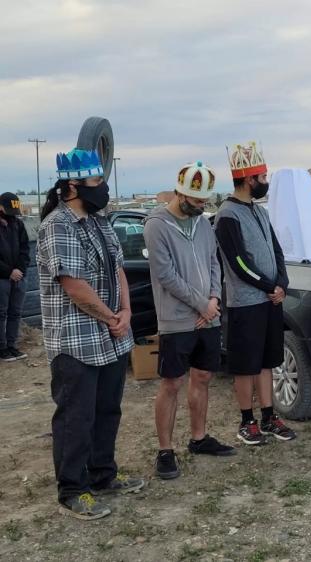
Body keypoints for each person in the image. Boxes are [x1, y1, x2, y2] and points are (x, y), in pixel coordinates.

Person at [36, 148, 144, 520]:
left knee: (107, 409)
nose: (103, 189)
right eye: (97, 183)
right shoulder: (57, 225)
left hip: (111, 336)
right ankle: (72, 489)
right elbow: (74, 285)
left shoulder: (99, 222)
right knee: (75, 417)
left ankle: (102, 474)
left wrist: (126, 311)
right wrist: (112, 315)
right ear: (72, 186)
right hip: (75, 340)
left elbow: (117, 270)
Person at [143, 161, 236, 480]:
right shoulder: (156, 225)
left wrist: (213, 300)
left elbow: (214, 262)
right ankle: (165, 450)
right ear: (181, 193)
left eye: (204, 202)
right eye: (196, 201)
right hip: (177, 320)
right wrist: (202, 305)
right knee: (171, 383)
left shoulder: (203, 224)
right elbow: (165, 274)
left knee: (203, 377)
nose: (201, 206)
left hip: (206, 316)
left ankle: (199, 438)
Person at [215, 142, 296, 445]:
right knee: (245, 364)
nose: (265, 182)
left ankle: (268, 416)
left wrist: (282, 283)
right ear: (249, 179)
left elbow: (276, 249)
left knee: (266, 361)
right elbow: (238, 262)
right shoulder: (227, 215)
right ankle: (246, 421)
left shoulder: (259, 212)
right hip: (246, 304)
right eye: (262, 177)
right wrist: (267, 286)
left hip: (270, 300)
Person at [0, 192, 30, 361]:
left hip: (19, 278)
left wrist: (19, 269)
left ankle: (12, 346)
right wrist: (8, 271)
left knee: (15, 313)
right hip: (2, 279)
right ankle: (2, 348)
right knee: (1, 314)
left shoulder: (17, 224)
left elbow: (25, 250)